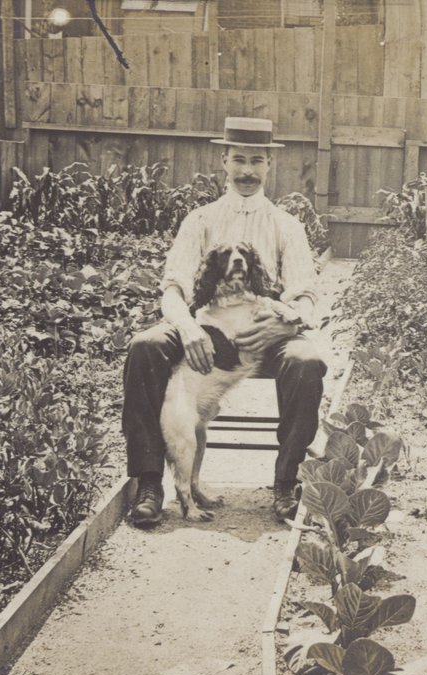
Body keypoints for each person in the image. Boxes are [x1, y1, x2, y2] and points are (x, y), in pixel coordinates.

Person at [121, 116, 327, 528]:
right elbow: (174, 288)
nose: (247, 171)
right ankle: (149, 483)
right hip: (205, 331)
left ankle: (286, 483)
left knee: (307, 362)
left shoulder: (286, 225)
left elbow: (305, 293)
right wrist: (190, 329)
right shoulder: (199, 220)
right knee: (145, 346)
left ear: (269, 164)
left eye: (256, 161)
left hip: (268, 335)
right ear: (224, 161)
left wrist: (287, 325)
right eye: (239, 160)